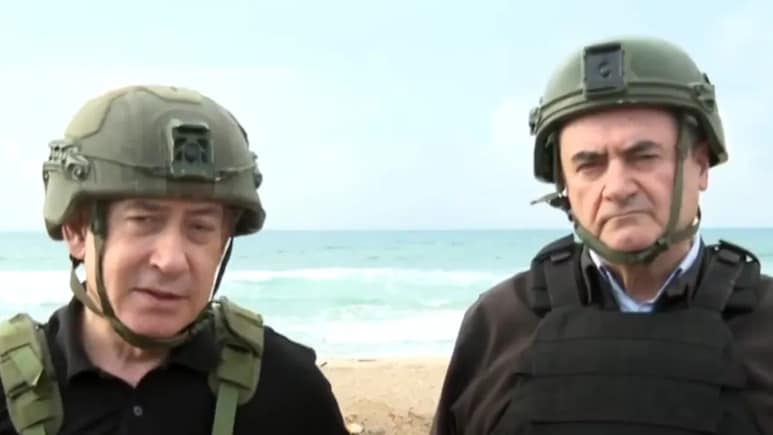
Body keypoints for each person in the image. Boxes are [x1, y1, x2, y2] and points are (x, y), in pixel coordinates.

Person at [430, 36, 773, 435]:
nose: (617, 188)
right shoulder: (499, 323)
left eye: (643, 157)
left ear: (700, 165)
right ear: (564, 184)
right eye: (589, 165)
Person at [0, 85, 349, 435]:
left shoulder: (288, 391)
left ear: (223, 241)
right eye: (144, 221)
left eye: (200, 227)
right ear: (77, 231)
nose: (171, 261)